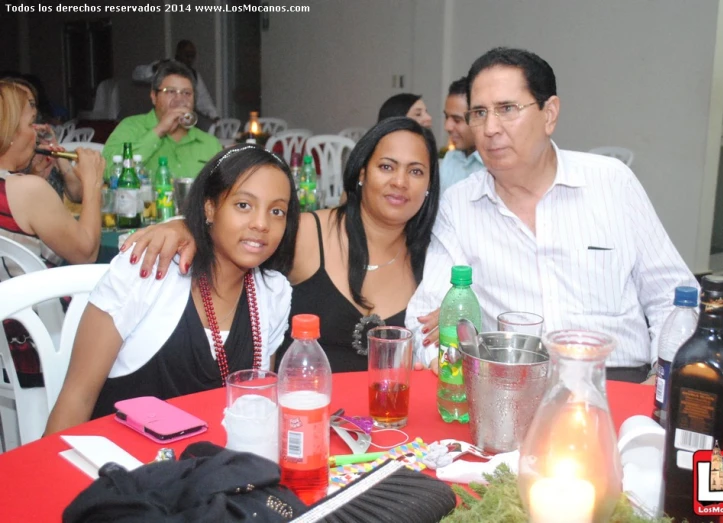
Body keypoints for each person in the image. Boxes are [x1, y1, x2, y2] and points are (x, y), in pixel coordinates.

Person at [405, 47, 698, 384]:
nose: (490, 128)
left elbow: (674, 298)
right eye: (479, 113)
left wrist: (659, 383)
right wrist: (455, 363)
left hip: (617, 384)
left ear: (549, 114)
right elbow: (422, 323)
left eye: (507, 109)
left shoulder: (611, 182)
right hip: (507, 389)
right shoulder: (459, 205)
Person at [115, 117, 440, 372]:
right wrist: (184, 226)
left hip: (387, 433)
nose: (400, 182)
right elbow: (241, 235)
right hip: (302, 423)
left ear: (429, 186)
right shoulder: (306, 234)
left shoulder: (433, 261)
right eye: (387, 166)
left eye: (416, 171)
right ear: (361, 172)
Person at [44, 145, 298, 434]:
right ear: (210, 207)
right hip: (123, 465)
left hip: (214, 468)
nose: (261, 224)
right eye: (243, 205)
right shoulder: (149, 270)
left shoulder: (271, 293)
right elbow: (77, 396)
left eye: (277, 211)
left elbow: (255, 407)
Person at [0, 79, 105, 387]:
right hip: (34, 340)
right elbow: (86, 253)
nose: (38, 131)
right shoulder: (26, 190)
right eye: (31, 123)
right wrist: (93, 182)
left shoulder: (16, 186)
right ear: (8, 132)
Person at [104, 60, 221, 178]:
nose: (179, 99)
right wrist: (158, 131)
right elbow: (107, 172)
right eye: (171, 92)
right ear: (154, 96)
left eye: (186, 93)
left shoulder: (209, 143)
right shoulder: (131, 127)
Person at [440, 77, 484, 195]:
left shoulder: (495, 167)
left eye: (457, 120)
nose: (447, 126)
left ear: (479, 118)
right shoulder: (451, 159)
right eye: (446, 117)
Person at [175, 40, 220, 123]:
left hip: (185, 119)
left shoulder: (193, 75)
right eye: (187, 54)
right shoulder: (164, 69)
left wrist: (214, 117)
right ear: (179, 53)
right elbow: (143, 73)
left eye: (192, 56)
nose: (190, 59)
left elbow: (203, 100)